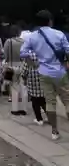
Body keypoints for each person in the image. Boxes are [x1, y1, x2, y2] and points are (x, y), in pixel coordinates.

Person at [20, 9, 69, 140]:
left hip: (43, 72)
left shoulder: (32, 36)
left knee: (50, 102)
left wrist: (34, 64)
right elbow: (68, 50)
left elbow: (23, 53)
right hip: (60, 72)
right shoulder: (59, 34)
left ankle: (54, 131)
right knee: (67, 100)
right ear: (50, 21)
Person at [4, 25, 27, 115]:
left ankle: (15, 109)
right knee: (23, 87)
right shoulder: (23, 42)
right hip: (22, 65)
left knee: (14, 88)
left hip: (12, 66)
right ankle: (24, 108)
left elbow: (5, 55)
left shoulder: (8, 42)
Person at [21, 52, 47, 125]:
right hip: (43, 79)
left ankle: (39, 119)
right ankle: (50, 117)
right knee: (44, 100)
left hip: (32, 81)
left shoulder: (28, 56)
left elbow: (24, 71)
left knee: (35, 101)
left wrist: (24, 79)